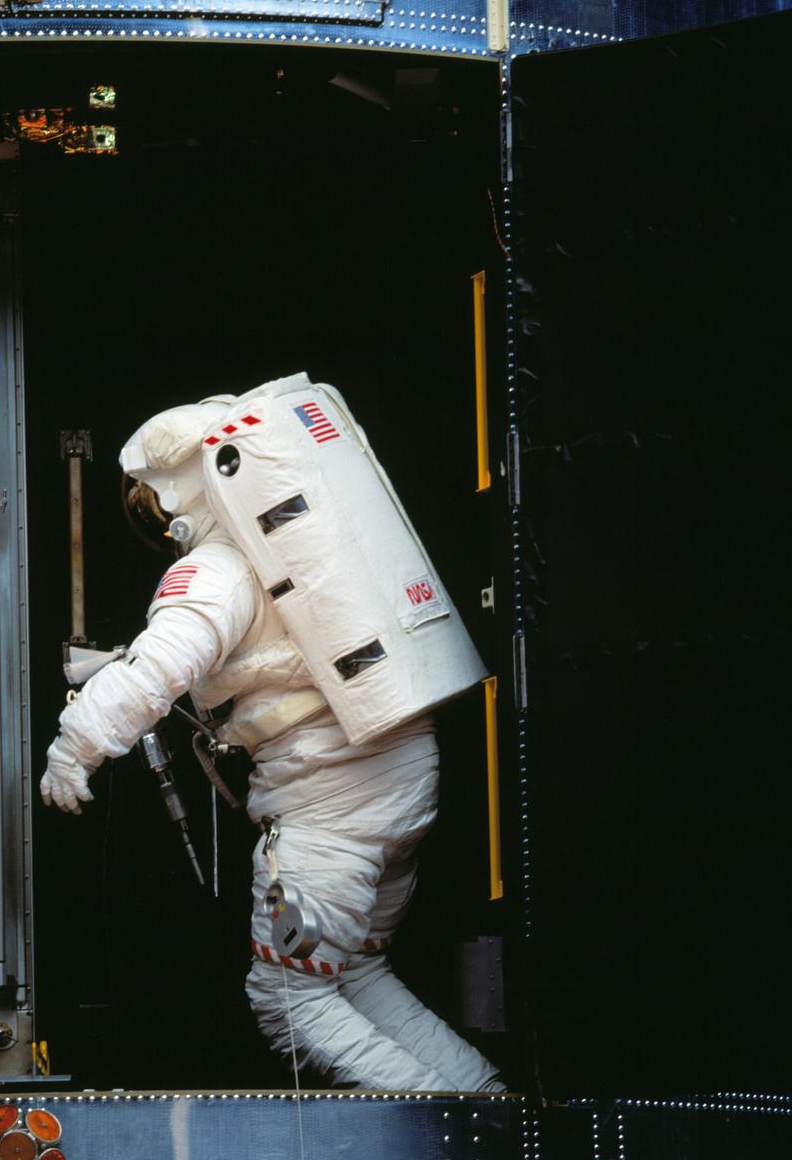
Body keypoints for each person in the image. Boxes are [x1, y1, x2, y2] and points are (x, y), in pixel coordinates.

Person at [41, 391, 503, 1091]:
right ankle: (486, 1102)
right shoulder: (299, 546)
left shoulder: (216, 570)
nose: (154, 520)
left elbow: (155, 671)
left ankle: (451, 1131)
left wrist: (73, 751)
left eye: (152, 501)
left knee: (290, 999)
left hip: (332, 808)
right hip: (402, 782)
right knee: (354, 972)